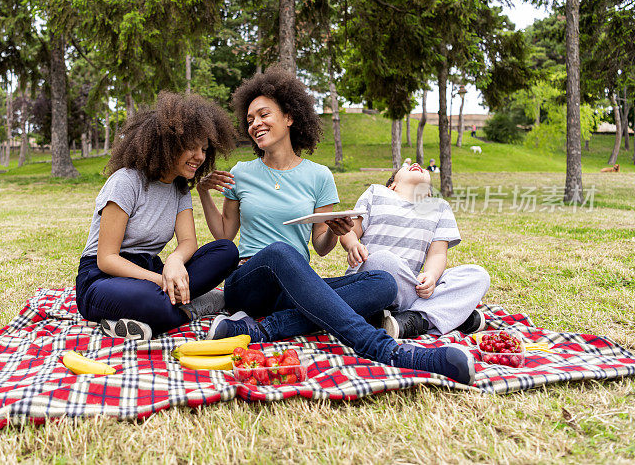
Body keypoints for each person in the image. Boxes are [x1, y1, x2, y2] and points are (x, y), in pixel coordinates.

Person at [196, 67, 476, 385]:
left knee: (383, 284)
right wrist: (204, 193)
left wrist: (335, 229)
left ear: (289, 117)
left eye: (263, 114)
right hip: (249, 282)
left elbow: (320, 245)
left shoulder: (319, 176)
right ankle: (392, 353)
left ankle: (259, 330)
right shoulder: (241, 172)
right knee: (280, 252)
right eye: (250, 120)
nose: (255, 124)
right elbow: (224, 235)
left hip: (294, 287)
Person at [74, 91, 240, 340]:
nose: (200, 157)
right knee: (152, 301)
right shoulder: (126, 182)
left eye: (204, 149)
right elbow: (106, 258)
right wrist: (161, 280)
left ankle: (150, 313)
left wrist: (173, 262)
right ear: (167, 143)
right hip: (102, 279)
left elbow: (188, 242)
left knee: (226, 251)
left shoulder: (180, 187)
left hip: (151, 271)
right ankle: (193, 308)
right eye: (191, 147)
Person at [340, 162, 490, 339]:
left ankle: (413, 320)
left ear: (428, 192)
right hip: (373, 279)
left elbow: (438, 253)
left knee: (477, 275)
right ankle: (445, 315)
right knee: (384, 260)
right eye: (406, 167)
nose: (417, 164)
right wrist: (352, 245)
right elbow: (349, 230)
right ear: (392, 185)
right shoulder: (376, 192)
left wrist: (432, 276)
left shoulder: (439, 207)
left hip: (410, 288)